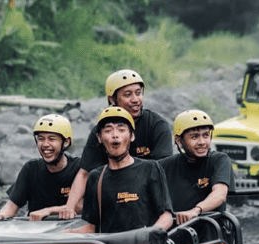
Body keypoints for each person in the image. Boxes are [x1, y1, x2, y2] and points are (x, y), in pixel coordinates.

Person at [58, 69, 173, 219]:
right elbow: (84, 173)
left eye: (138, 93)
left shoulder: (157, 125)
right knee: (81, 204)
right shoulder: (101, 130)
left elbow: (163, 170)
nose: (135, 99)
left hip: (148, 192)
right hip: (113, 188)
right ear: (112, 99)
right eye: (127, 95)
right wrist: (69, 207)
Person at [69, 107, 173, 234]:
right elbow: (92, 227)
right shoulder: (96, 177)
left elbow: (166, 217)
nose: (115, 135)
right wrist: (61, 235)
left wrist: (148, 235)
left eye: (121, 129)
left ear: (132, 136)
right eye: (108, 130)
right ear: (99, 138)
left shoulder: (150, 168)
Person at [0, 114, 81, 221]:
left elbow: (86, 205)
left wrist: (49, 211)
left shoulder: (80, 168)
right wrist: (2, 216)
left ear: (66, 142)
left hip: (72, 231)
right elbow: (12, 205)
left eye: (52, 139)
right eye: (41, 139)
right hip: (38, 232)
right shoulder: (31, 168)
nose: (45, 144)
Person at [158, 110, 235, 225]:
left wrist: (195, 211)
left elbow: (220, 194)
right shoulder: (164, 166)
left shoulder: (219, 160)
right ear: (179, 141)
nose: (202, 142)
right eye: (194, 137)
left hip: (211, 233)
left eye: (206, 135)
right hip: (175, 234)